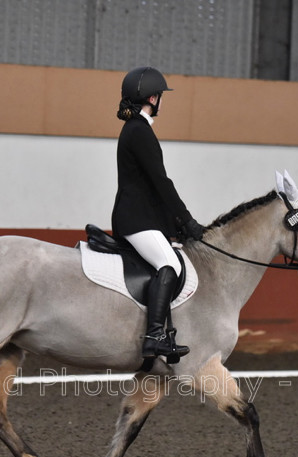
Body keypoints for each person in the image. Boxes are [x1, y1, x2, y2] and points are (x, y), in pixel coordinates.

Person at [111, 66, 205, 361]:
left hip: (142, 216)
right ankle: (154, 336)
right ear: (152, 97)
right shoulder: (139, 131)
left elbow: (152, 186)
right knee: (169, 264)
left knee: (170, 257)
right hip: (135, 219)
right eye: (161, 95)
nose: (162, 100)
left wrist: (174, 224)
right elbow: (161, 183)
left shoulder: (137, 129)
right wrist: (187, 218)